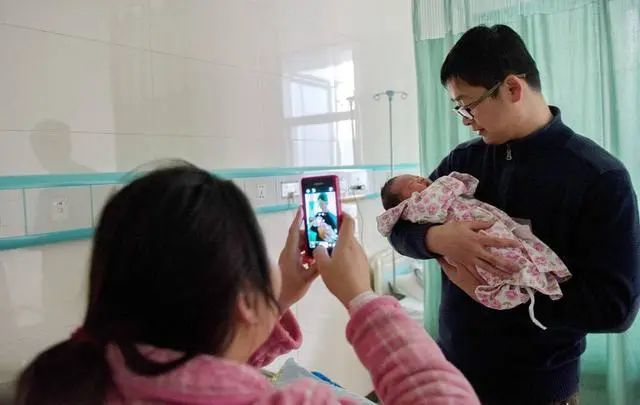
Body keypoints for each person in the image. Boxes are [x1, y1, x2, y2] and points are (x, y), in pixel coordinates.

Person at [15, 163, 479, 404]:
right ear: (242, 301)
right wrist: (363, 298)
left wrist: (279, 296)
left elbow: (200, 368)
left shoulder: (62, 381)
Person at [389, 24, 640, 404]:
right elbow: (399, 224)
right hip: (454, 376)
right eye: (458, 108)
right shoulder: (462, 162)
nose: (465, 119)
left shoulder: (598, 176)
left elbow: (615, 308)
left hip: (540, 389)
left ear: (511, 88)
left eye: (468, 104)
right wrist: (437, 239)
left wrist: (515, 296)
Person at [378, 172, 571, 330]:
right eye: (413, 181)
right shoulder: (456, 163)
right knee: (497, 262)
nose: (421, 178)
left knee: (512, 254)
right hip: (463, 334)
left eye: (417, 177)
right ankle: (516, 285)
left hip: (550, 348)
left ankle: (531, 281)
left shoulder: (582, 164)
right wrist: (434, 238)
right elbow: (396, 233)